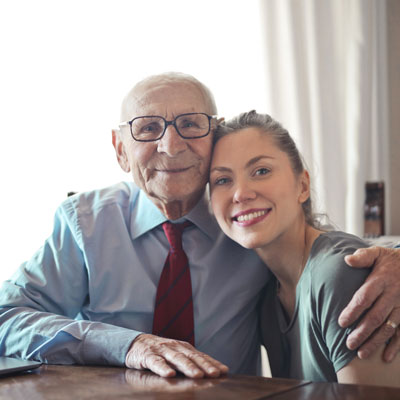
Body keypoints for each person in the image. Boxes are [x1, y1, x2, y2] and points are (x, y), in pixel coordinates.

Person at [0, 73, 399, 379]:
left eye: (190, 124)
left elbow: (325, 254)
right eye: (148, 128)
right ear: (121, 150)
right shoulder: (85, 224)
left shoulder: (246, 222)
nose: (171, 146)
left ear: (214, 138)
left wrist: (394, 258)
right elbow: (6, 316)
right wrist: (126, 345)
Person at [209, 110, 400, 386]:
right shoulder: (266, 295)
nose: (240, 193)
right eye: (222, 180)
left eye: (261, 171)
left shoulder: (341, 275)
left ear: (303, 185)